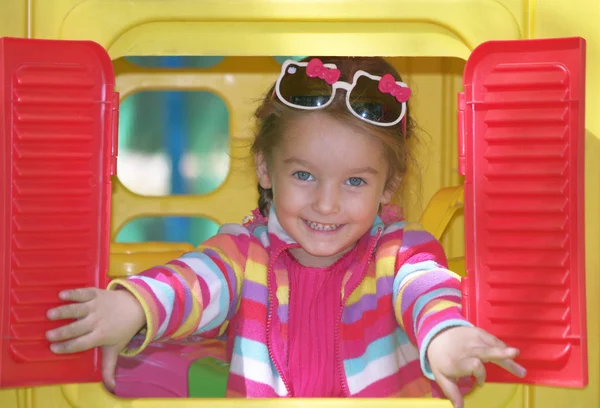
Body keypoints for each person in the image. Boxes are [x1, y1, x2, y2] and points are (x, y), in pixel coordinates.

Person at [45, 57, 526, 408]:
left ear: (389, 185)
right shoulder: (243, 252)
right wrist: (133, 306)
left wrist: (443, 335)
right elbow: (195, 280)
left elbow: (427, 289)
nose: (326, 203)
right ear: (266, 169)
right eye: (304, 176)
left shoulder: (398, 252)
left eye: (355, 181)